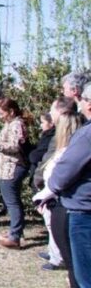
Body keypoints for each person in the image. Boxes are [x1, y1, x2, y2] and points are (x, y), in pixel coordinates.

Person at [43, 87, 91, 286]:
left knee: (84, 276)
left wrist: (50, 187)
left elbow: (62, 175)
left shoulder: (86, 135)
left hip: (83, 213)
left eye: (82, 99)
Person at [0, 98, 29, 249]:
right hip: (5, 167)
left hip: (12, 167)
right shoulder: (10, 124)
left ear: (11, 112)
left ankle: (15, 236)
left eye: (2, 113)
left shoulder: (17, 124)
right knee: (12, 201)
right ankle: (15, 231)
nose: (0, 116)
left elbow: (15, 146)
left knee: (12, 202)